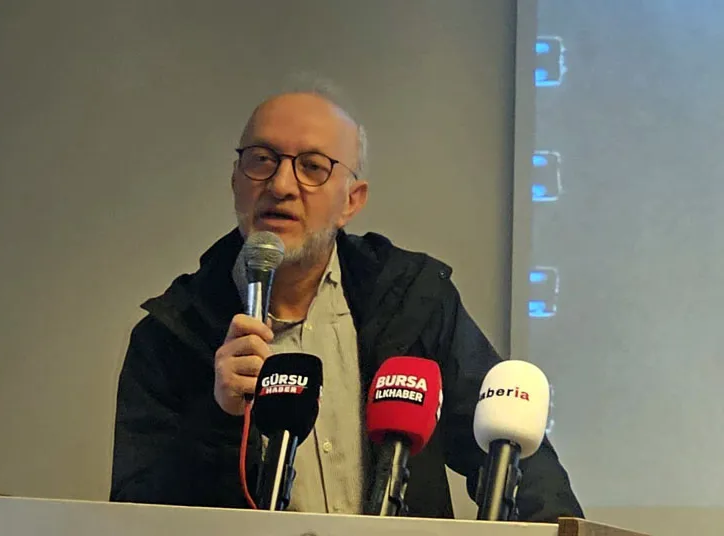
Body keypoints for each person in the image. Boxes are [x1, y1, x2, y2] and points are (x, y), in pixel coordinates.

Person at [109, 88, 583, 520]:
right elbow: (138, 515)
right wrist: (218, 417)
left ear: (351, 201)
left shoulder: (410, 298)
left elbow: (508, 446)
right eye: (261, 160)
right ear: (236, 179)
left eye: (312, 167)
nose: (280, 185)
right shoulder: (173, 333)